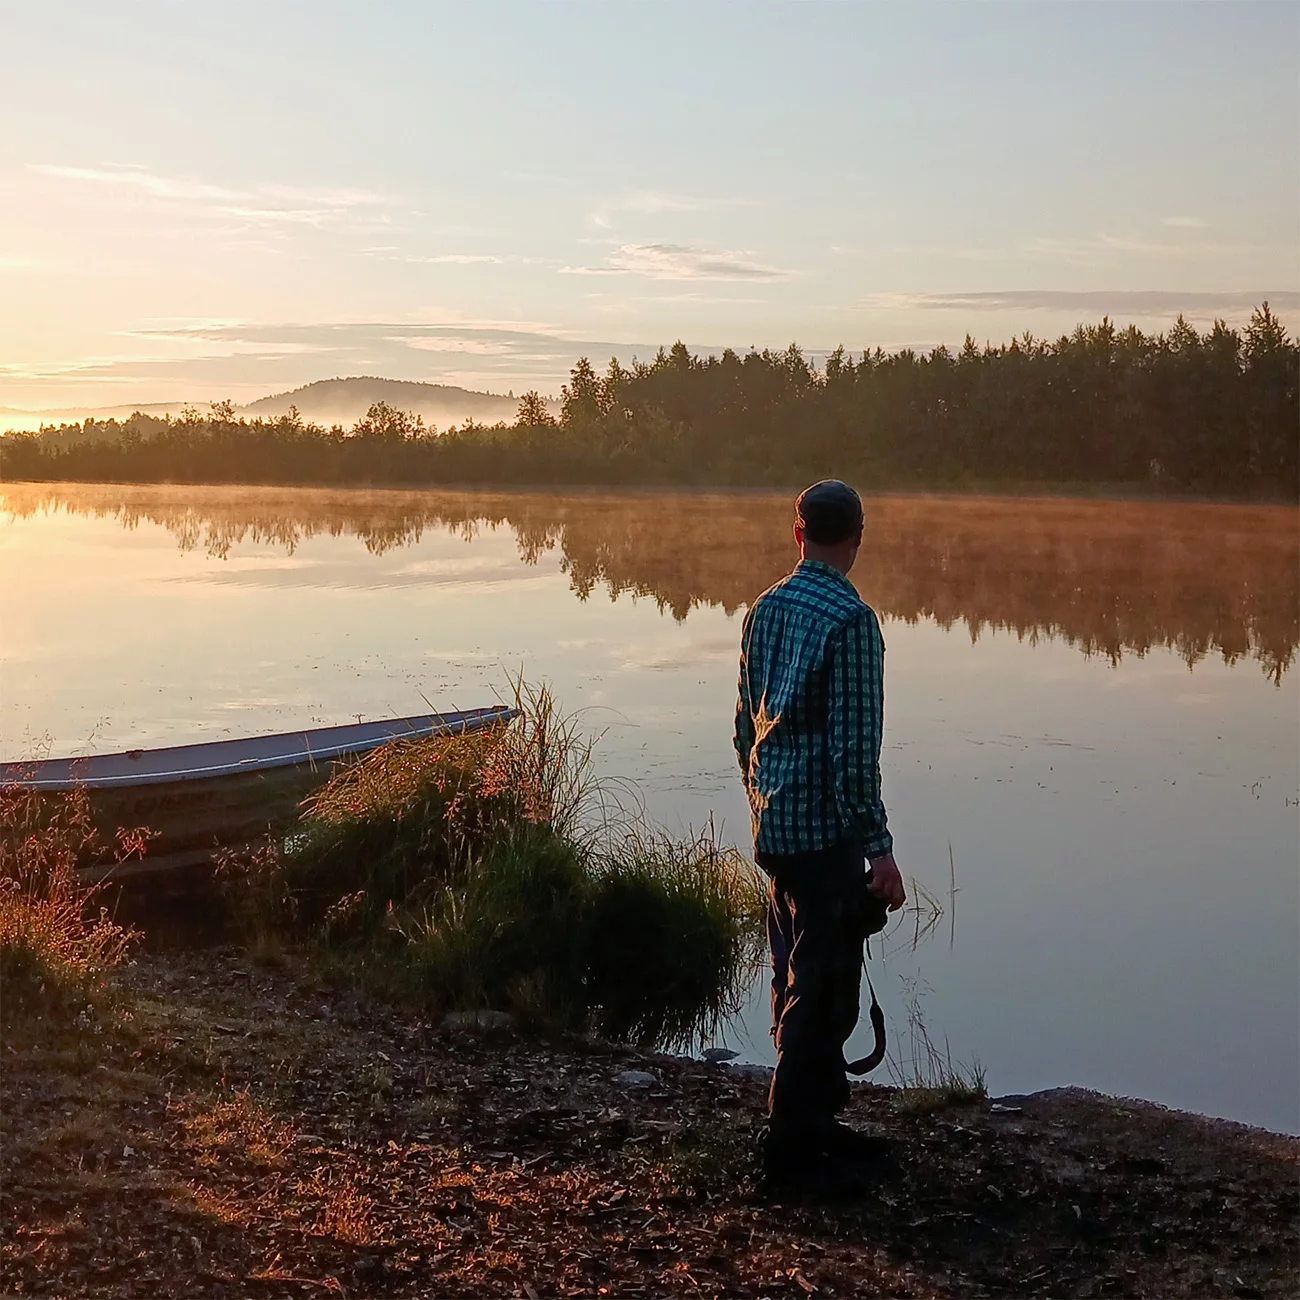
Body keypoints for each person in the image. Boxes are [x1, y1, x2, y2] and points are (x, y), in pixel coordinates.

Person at [734, 479, 906, 1190]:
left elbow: (746, 727)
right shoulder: (852, 623)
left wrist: (759, 802)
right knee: (821, 988)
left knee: (796, 977)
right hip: (827, 836)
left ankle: (816, 1123)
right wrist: (879, 847)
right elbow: (853, 751)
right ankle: (792, 1152)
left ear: (798, 534)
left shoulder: (764, 609)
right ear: (858, 538)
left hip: (775, 826)